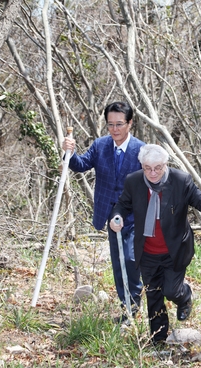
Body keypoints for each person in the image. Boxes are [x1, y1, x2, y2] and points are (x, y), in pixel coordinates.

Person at [110, 144, 201, 344]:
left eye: (158, 168)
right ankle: (158, 338)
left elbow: (199, 198)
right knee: (153, 295)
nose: (152, 173)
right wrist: (117, 216)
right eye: (147, 168)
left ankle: (184, 296)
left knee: (171, 290)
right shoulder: (134, 182)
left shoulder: (180, 180)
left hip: (174, 249)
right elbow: (123, 204)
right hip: (148, 251)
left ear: (166, 164)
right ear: (141, 165)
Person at [63, 102, 144, 316]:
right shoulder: (100, 146)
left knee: (130, 258)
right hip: (109, 214)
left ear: (130, 123)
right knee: (118, 262)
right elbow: (80, 165)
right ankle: (126, 307)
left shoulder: (141, 150)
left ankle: (134, 305)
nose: (114, 129)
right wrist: (69, 153)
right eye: (110, 124)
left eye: (119, 124)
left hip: (133, 216)